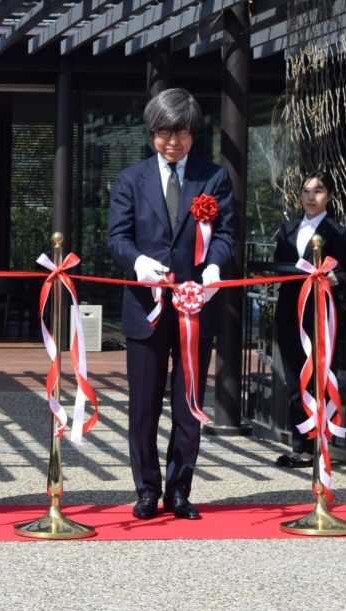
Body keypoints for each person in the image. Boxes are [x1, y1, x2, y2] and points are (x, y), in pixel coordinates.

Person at [106, 88, 237, 520]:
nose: (172, 142)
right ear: (151, 134)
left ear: (193, 134)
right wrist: (138, 262)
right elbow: (117, 237)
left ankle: (179, 490)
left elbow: (226, 234)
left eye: (180, 133)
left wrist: (214, 267)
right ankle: (146, 489)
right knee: (143, 405)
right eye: (164, 133)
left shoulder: (213, 178)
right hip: (145, 306)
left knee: (187, 404)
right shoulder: (131, 179)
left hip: (195, 307)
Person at [271, 171, 346, 468]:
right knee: (294, 380)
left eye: (317, 191)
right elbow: (279, 265)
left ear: (328, 195)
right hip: (288, 311)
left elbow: (345, 274)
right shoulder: (288, 228)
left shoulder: (337, 232)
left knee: (317, 378)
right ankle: (300, 446)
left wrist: (330, 278)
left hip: (318, 313)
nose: (310, 197)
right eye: (306, 191)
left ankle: (319, 445)